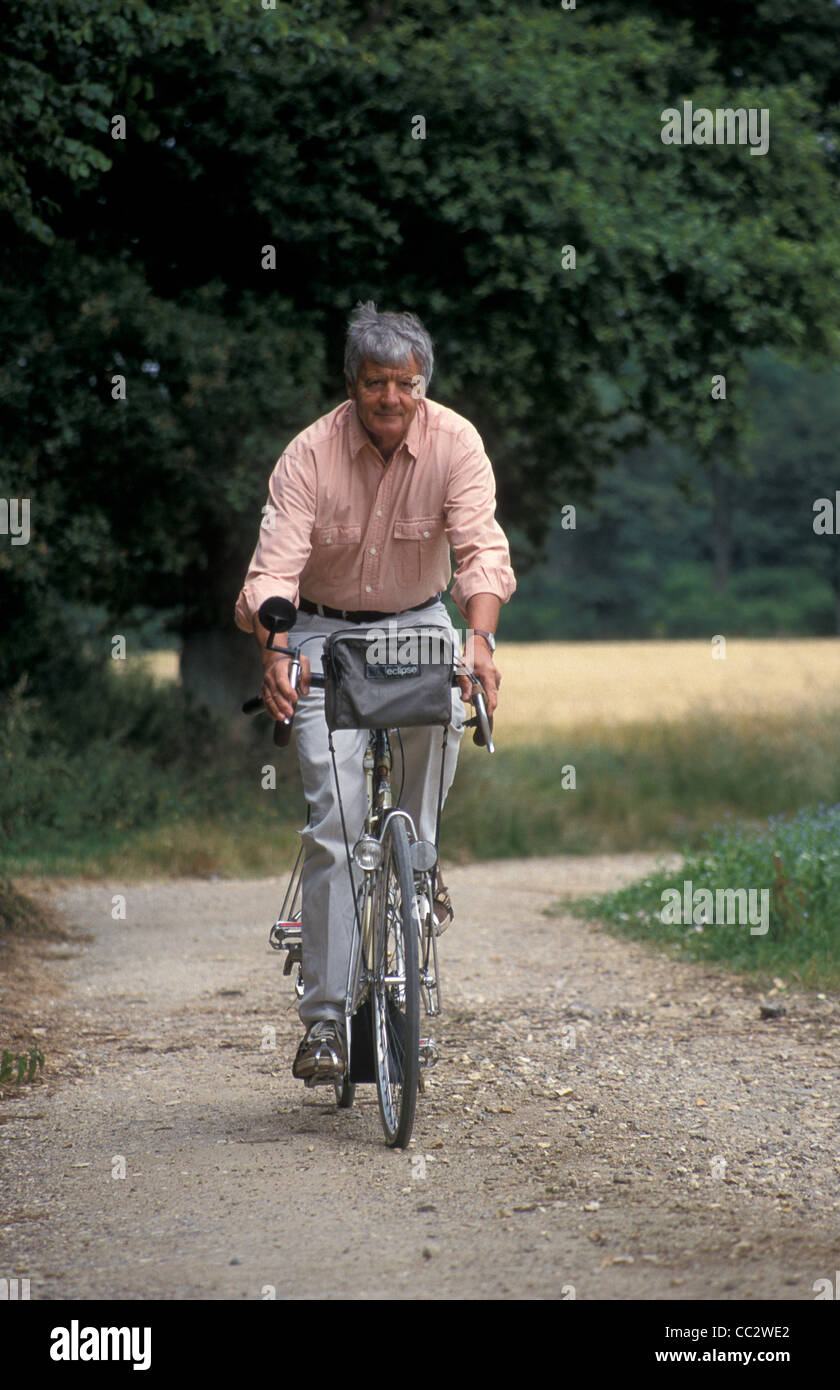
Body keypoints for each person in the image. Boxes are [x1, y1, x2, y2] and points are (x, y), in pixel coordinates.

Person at [235, 301, 515, 1084]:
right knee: (335, 819)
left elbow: (481, 550)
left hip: (417, 619)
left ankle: (418, 864)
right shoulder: (308, 455)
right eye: (374, 382)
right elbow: (274, 571)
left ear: (422, 381)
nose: (390, 396)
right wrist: (279, 648)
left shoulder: (456, 442)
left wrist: (480, 640)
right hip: (322, 628)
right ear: (350, 384)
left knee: (434, 746)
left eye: (404, 381)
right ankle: (324, 1023)